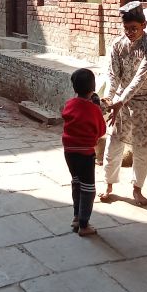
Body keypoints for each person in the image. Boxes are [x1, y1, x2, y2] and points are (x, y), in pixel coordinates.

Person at [99, 1, 147, 207]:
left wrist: (120, 100)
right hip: (120, 103)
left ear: (144, 25)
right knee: (114, 143)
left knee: (142, 147)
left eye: (134, 28)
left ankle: (137, 189)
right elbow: (113, 76)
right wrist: (109, 99)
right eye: (126, 28)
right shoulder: (118, 45)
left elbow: (140, 78)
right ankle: (108, 184)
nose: (129, 33)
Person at [63, 68, 107, 237]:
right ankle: (84, 224)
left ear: (74, 87)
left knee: (76, 183)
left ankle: (76, 217)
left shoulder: (69, 104)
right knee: (88, 188)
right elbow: (101, 131)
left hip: (69, 152)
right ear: (93, 87)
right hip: (85, 154)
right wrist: (97, 108)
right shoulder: (94, 109)